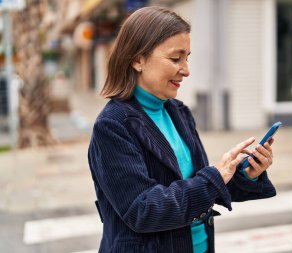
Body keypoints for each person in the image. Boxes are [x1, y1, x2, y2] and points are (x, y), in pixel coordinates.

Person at [88, 6, 276, 253]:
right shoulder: (112, 126)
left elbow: (201, 189)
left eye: (187, 58)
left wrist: (243, 174)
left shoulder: (179, 112)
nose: (186, 70)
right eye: (175, 59)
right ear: (137, 59)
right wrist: (215, 176)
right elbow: (143, 210)